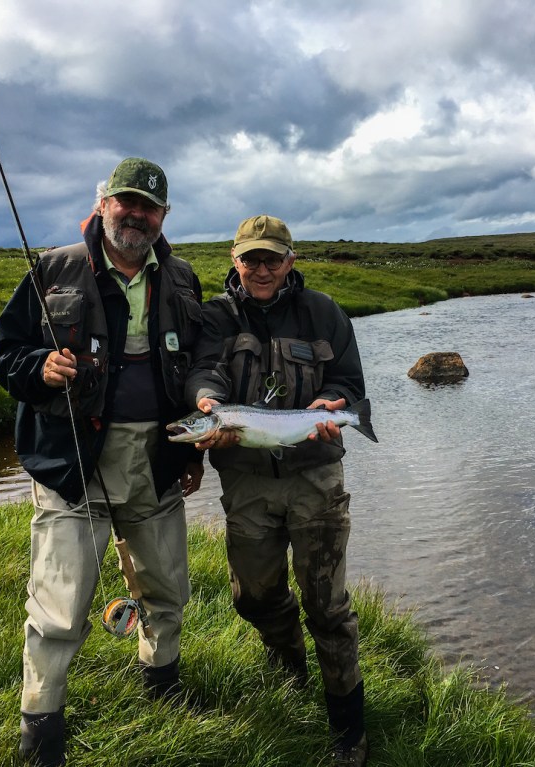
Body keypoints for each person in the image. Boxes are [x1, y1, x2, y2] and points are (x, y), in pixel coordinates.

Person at [0, 157, 204, 767]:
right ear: (103, 203)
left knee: (167, 589)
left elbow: (194, 370)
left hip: (156, 463)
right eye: (126, 202)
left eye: (149, 207)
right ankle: (40, 731)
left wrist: (193, 455)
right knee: (59, 607)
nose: (137, 215)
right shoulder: (52, 269)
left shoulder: (183, 279)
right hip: (72, 465)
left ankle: (162, 687)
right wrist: (39, 368)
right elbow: (3, 354)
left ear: (164, 216)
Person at [185, 215, 370, 766]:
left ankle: (348, 727)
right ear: (235, 260)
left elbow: (349, 381)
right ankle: (290, 676)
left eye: (272, 259)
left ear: (290, 260)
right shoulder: (216, 316)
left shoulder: (324, 312)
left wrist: (334, 403)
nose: (261, 269)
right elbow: (202, 371)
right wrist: (207, 403)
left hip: (315, 476)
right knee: (254, 597)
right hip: (246, 482)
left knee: (327, 607)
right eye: (252, 259)